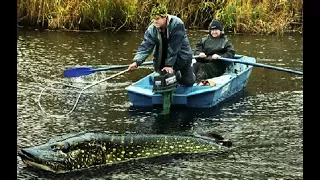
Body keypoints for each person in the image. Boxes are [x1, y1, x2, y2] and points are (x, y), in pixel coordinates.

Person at [127, 3, 195, 86]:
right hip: (162, 57)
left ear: (165, 17)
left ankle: (183, 74)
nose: (155, 21)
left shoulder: (177, 24)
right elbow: (146, 46)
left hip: (182, 56)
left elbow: (174, 47)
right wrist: (137, 62)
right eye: (153, 19)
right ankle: (173, 75)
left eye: (157, 19)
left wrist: (169, 65)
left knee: (188, 82)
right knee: (162, 81)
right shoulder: (152, 29)